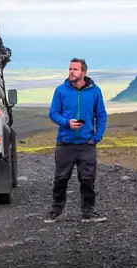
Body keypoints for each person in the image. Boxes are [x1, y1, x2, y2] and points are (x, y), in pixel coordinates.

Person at [44, 58, 108, 223]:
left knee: (87, 179)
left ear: (84, 73)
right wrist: (67, 122)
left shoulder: (95, 91)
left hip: (86, 145)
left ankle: (88, 213)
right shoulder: (61, 90)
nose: (71, 72)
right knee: (61, 178)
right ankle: (55, 211)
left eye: (75, 69)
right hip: (65, 144)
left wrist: (96, 138)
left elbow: (101, 115)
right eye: (70, 69)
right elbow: (53, 113)